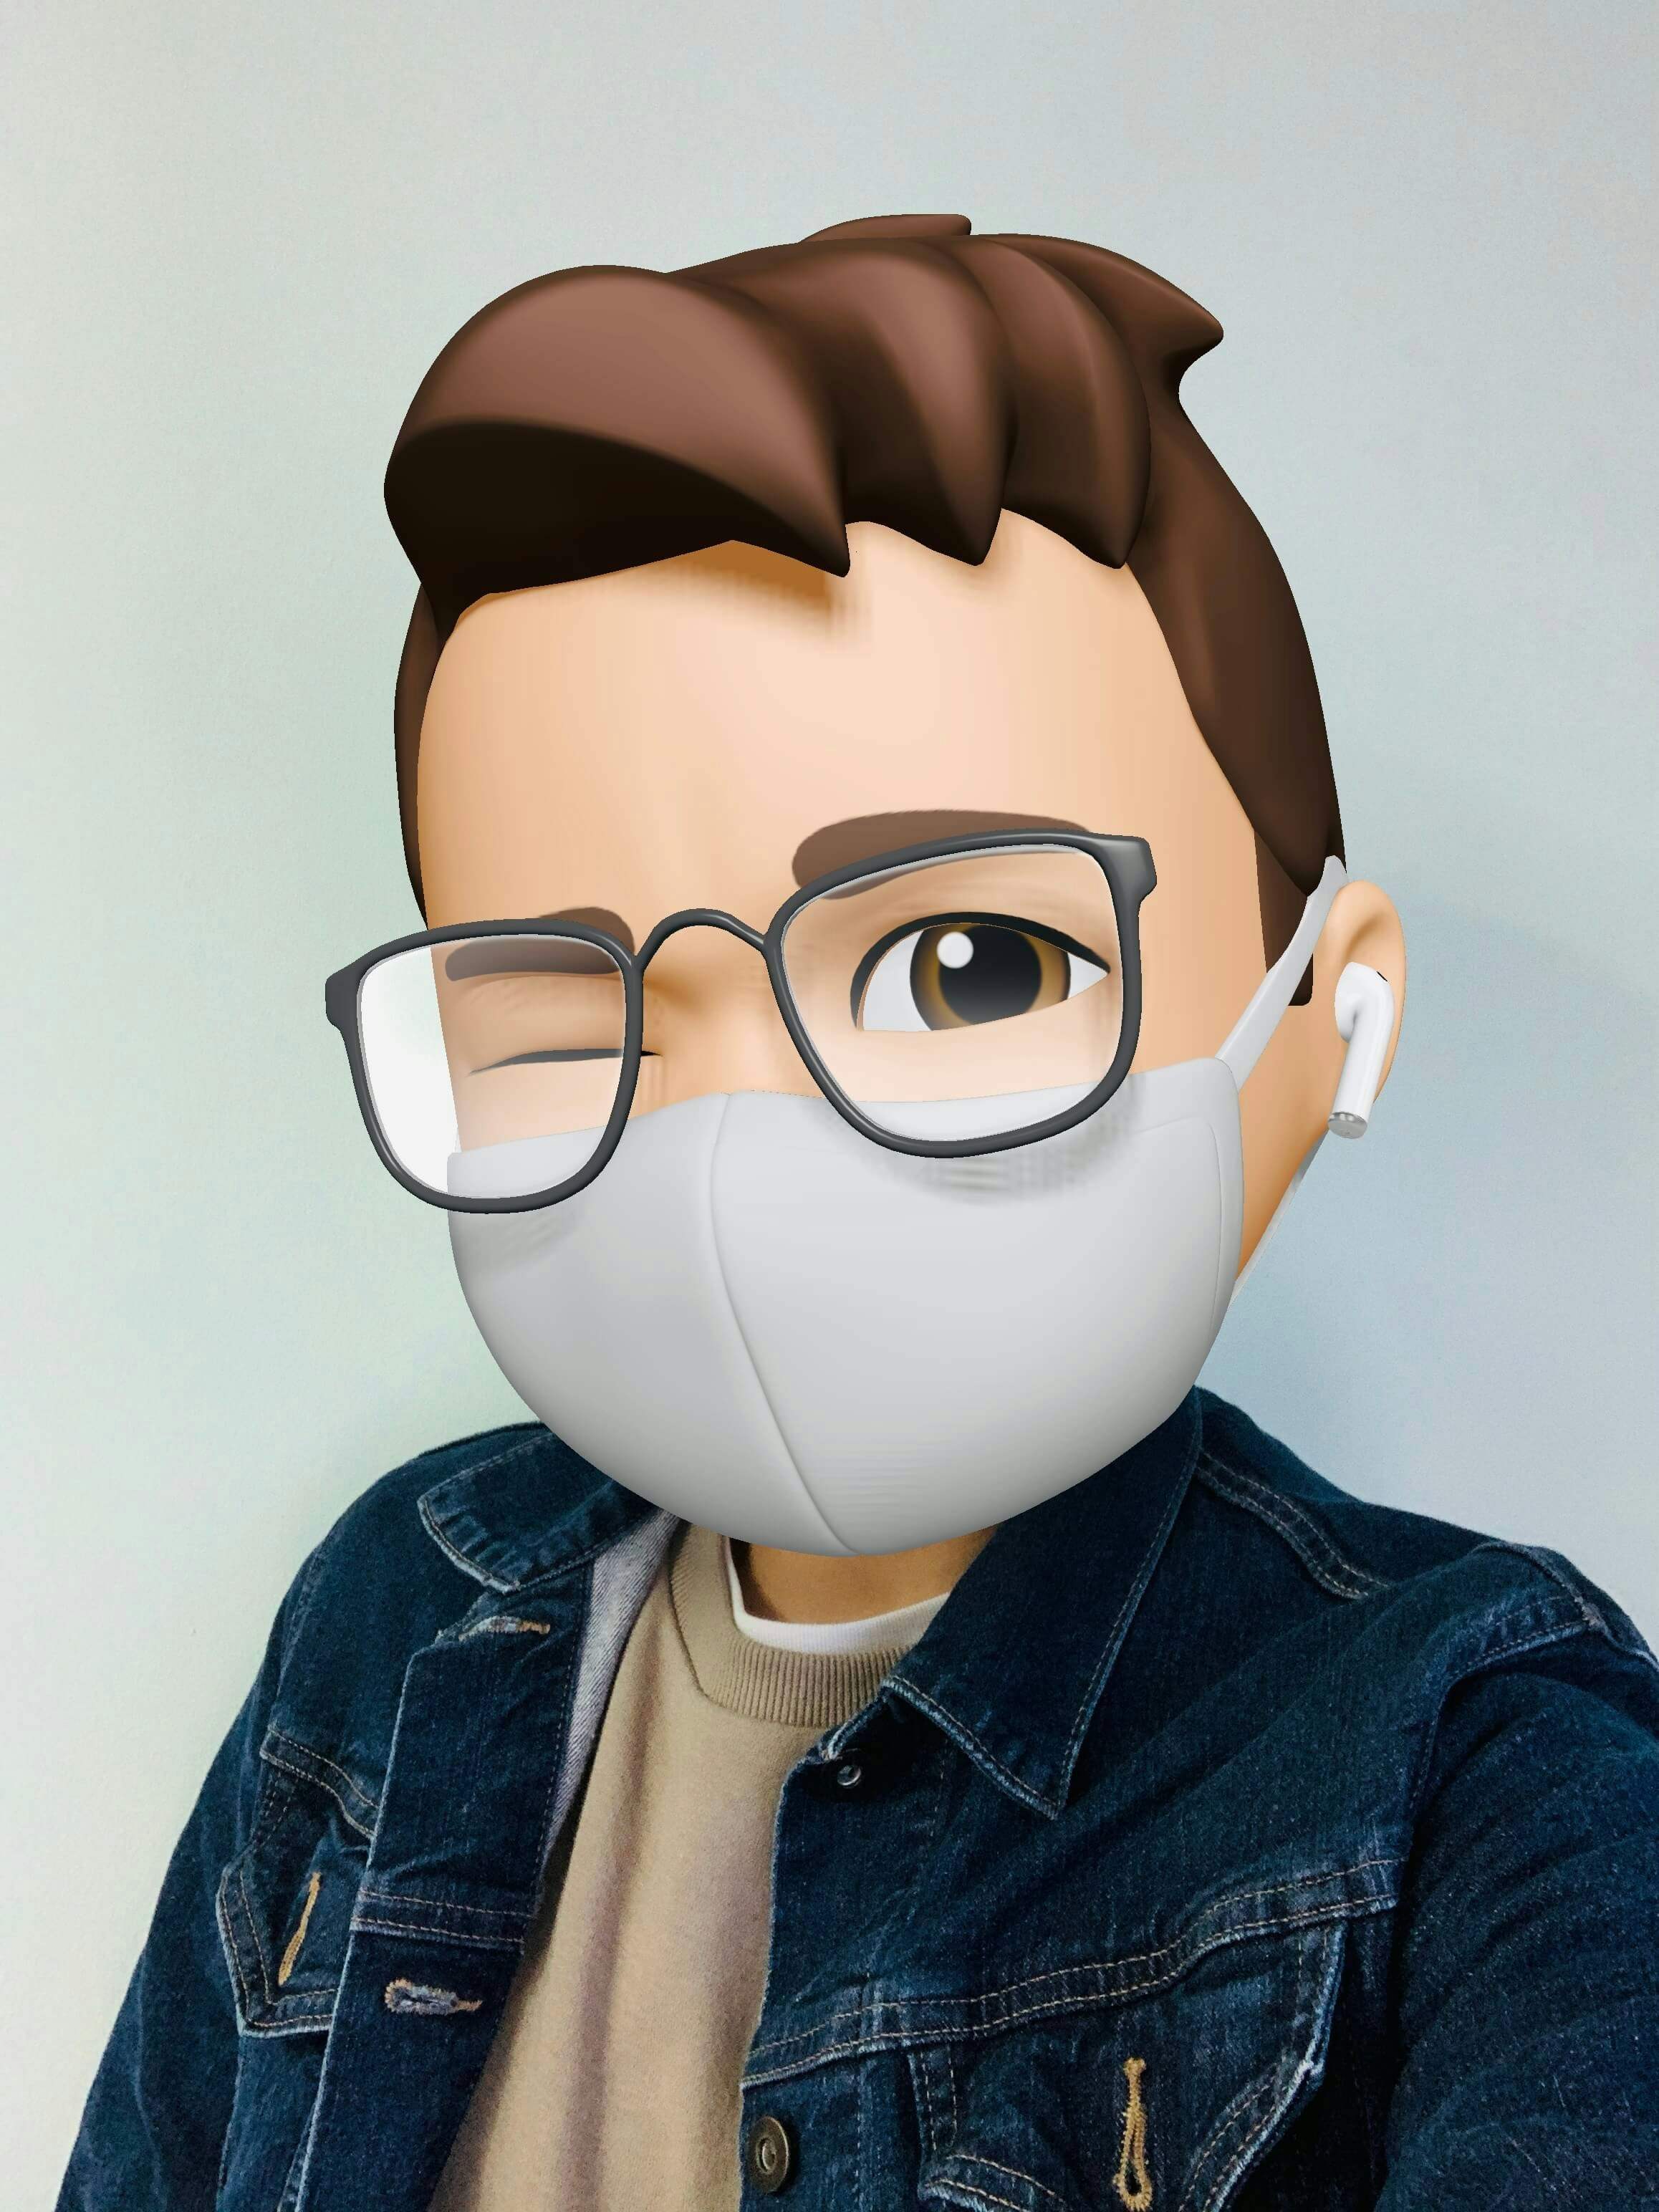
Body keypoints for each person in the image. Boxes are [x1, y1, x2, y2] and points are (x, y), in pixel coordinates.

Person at [59, 215, 1659, 2211]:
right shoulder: (394, 1620)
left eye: (970, 966)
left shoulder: (1475, 1767)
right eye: (571, 1001)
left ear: (1332, 1016)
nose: (735, 1141)